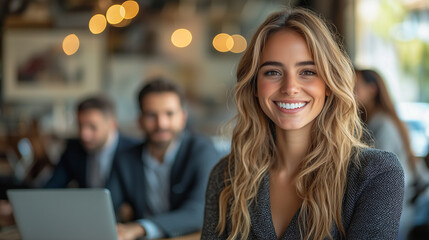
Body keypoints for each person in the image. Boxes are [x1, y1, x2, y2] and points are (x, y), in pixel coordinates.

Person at [201, 8, 404, 240]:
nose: (290, 87)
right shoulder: (227, 176)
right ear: (255, 86)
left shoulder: (374, 173)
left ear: (329, 83)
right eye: (273, 72)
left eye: (307, 71)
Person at [108, 78, 220, 240]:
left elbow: (199, 212)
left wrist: (140, 227)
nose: (161, 123)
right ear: (140, 120)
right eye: (151, 115)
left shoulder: (202, 151)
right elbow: (108, 206)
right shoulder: (126, 159)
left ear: (183, 118)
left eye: (169, 113)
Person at [355, 68, 426, 239]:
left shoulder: (381, 125)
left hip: (394, 206)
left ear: (372, 90)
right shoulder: (373, 120)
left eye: (355, 88)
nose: (349, 93)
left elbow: (378, 174)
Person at [44, 95, 139, 189]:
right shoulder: (73, 149)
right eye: (80, 126)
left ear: (112, 125)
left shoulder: (134, 151)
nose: (84, 135)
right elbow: (52, 187)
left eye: (92, 127)